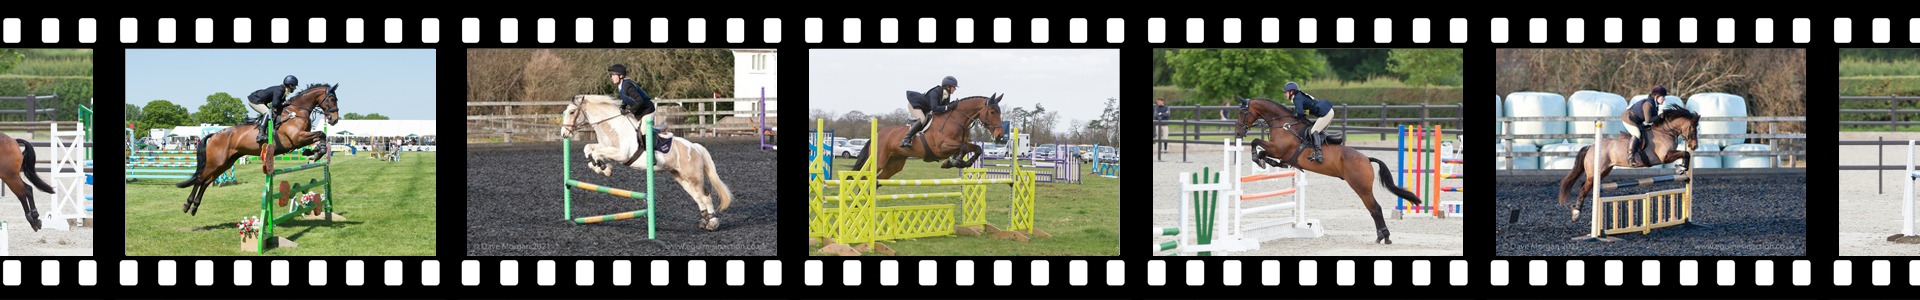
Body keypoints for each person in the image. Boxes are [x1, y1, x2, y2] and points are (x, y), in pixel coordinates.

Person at [1284, 82, 1336, 162]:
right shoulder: (1299, 96)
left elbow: (1300, 113)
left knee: (1313, 131)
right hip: (1327, 110)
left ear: (1292, 92)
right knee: (1318, 132)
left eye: (1286, 92)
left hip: (1325, 113)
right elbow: (1306, 111)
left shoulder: (1296, 98)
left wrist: (1295, 116)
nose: (1285, 94)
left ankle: (1319, 155)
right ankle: (1330, 145)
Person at [901, 76, 959, 148]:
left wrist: (951, 105)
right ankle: (905, 140)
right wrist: (948, 107)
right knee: (922, 119)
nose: (955, 89)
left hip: (925, 109)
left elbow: (944, 108)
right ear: (947, 86)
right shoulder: (935, 92)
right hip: (915, 105)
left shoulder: (946, 95)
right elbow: (935, 108)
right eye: (954, 87)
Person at [1620, 85, 1671, 166]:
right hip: (1628, 118)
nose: (1664, 99)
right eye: (1663, 96)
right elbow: (1648, 120)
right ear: (1656, 96)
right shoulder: (1648, 104)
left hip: (1637, 120)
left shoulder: (1655, 104)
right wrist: (1660, 116)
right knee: (1637, 134)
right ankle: (1631, 158)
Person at [246, 75, 300, 143]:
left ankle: (263, 127)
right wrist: (284, 104)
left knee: (272, 114)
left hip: (261, 101)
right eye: (294, 86)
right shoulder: (280, 89)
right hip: (255, 100)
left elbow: (280, 104)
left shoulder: (284, 90)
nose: (295, 88)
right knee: (268, 113)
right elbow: (275, 104)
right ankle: (260, 135)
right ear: (290, 85)